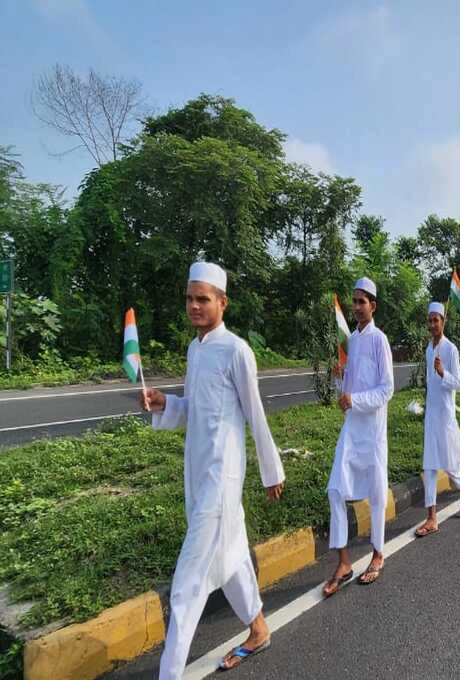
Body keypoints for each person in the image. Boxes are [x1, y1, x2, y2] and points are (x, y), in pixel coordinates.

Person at [141, 262, 285, 677]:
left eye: (202, 299)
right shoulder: (195, 349)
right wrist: (166, 404)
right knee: (231, 557)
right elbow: (194, 408)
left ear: (223, 303)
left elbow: (255, 413)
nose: (194, 306)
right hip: (197, 472)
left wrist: (271, 470)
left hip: (222, 478)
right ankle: (258, 628)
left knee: (187, 586)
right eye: (189, 298)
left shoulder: (236, 350)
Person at [323, 277, 394, 598]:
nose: (356, 306)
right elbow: (347, 390)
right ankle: (343, 563)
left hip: (373, 430)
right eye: (353, 301)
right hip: (352, 429)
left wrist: (356, 400)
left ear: (373, 306)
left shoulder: (380, 340)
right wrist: (340, 380)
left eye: (361, 301)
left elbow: (387, 389)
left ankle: (378, 554)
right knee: (335, 489)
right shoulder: (349, 340)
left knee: (377, 494)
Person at [415, 301, 460, 537]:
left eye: (436, 320)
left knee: (450, 464)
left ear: (443, 321)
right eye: (429, 320)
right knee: (429, 466)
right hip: (431, 414)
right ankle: (431, 517)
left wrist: (443, 373)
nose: (432, 325)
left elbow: (458, 383)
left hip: (446, 415)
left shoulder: (451, 349)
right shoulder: (429, 349)